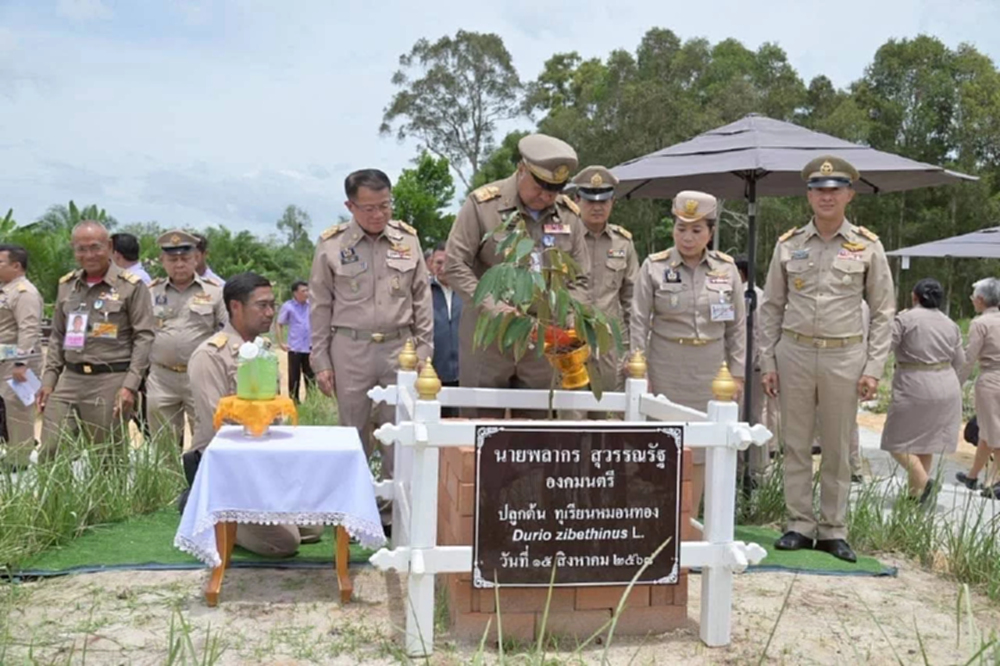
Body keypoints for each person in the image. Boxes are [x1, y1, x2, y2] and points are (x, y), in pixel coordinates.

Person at [759, 156, 895, 563]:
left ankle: (834, 529)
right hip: (795, 352)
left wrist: (873, 368)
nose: (826, 196)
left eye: (835, 189)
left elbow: (884, 310)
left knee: (837, 447)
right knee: (795, 443)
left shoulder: (868, 246)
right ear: (809, 195)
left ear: (849, 194)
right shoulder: (788, 245)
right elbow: (771, 307)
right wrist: (768, 361)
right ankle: (798, 524)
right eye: (819, 189)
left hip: (844, 354)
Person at [444, 133, 590, 417]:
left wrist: (569, 317)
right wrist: (494, 308)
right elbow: (455, 264)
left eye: (555, 189)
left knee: (536, 436)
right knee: (479, 430)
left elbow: (582, 278)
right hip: (488, 340)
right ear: (522, 169)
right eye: (541, 187)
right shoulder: (482, 205)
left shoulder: (568, 215)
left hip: (543, 343)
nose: (547, 196)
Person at [310, 169, 433, 483]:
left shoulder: (408, 239)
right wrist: (321, 360)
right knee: (353, 431)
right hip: (350, 350)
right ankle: (353, 511)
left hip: (400, 349)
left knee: (401, 431)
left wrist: (423, 351)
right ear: (350, 206)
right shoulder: (331, 245)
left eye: (385, 205)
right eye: (369, 208)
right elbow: (320, 305)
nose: (379, 214)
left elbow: (422, 298)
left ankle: (396, 514)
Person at [631, 190, 746, 524]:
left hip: (712, 371)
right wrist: (639, 373)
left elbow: (738, 327)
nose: (688, 237)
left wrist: (737, 374)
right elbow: (638, 321)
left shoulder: (726, 270)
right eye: (682, 228)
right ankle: (656, 521)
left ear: (710, 232)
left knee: (702, 452)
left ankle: (688, 524)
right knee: (660, 446)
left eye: (697, 230)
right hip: (665, 365)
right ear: (673, 229)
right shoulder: (653, 267)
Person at [187, 272, 321, 556]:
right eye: (262, 306)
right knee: (285, 543)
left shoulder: (263, 352)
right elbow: (218, 427)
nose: (271, 313)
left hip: (264, 466)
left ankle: (255, 512)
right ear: (236, 307)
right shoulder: (210, 356)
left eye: (272, 305)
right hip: (228, 471)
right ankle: (212, 514)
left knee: (315, 526)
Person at [37, 221, 155, 461]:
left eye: (95, 247)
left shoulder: (131, 286)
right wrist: (49, 380)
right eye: (81, 249)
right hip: (69, 379)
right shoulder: (67, 285)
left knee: (107, 459)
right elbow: (58, 336)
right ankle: (55, 500)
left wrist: (130, 385)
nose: (88, 255)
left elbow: (144, 337)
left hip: (110, 379)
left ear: (109, 246)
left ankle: (107, 500)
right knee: (50, 449)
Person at [880, 278, 963, 502]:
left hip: (914, 383)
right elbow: (960, 360)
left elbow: (884, 348)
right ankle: (916, 495)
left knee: (895, 441)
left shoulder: (905, 319)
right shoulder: (950, 323)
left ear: (915, 296)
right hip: (947, 383)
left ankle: (924, 482)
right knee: (926, 442)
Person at [147, 230, 227, 450]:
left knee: (207, 441)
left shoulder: (216, 292)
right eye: (172, 259)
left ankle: (202, 484)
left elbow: (226, 334)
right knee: (162, 447)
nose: (179, 264)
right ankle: (168, 485)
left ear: (196, 259)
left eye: (185, 258)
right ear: (163, 261)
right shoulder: (150, 292)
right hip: (161, 377)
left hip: (200, 377)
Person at [571, 165, 638, 395]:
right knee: (570, 414)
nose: (597, 207)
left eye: (603, 201)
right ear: (576, 200)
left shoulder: (623, 243)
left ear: (613, 203)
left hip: (609, 344)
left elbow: (632, 300)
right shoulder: (561, 239)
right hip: (570, 341)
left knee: (607, 415)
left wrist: (633, 351)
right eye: (590, 201)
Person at [0, 244, 42, 471]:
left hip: (17, 363)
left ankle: (19, 458)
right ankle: (12, 451)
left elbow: (28, 329)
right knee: (7, 407)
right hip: (3, 360)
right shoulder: (6, 290)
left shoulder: (25, 292)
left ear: (16, 266)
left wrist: (21, 363)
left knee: (18, 408)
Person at [957, 277, 1000, 499]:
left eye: (973, 298)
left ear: (981, 300)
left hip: (991, 379)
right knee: (987, 429)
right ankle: (973, 476)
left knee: (994, 431)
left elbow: (968, 358)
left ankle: (994, 480)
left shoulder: (980, 323)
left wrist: (957, 383)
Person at [735, 254, 775, 474]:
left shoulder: (745, 296)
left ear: (740, 273)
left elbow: (755, 334)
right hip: (754, 365)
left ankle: (749, 469)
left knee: (746, 418)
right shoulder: (760, 295)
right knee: (752, 417)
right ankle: (754, 467)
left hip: (747, 366)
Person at [428, 243, 461, 388]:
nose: (442, 268)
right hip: (431, 373)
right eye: (438, 263)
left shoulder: (467, 292)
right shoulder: (423, 292)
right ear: (431, 264)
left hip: (464, 373)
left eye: (447, 263)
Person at [277, 280, 313, 403]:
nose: (307, 293)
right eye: (303, 291)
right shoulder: (288, 306)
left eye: (307, 290)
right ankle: (294, 402)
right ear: (295, 293)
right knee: (294, 377)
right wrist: (281, 342)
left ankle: (312, 402)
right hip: (295, 347)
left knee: (311, 376)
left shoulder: (312, 305)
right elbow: (279, 324)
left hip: (310, 346)